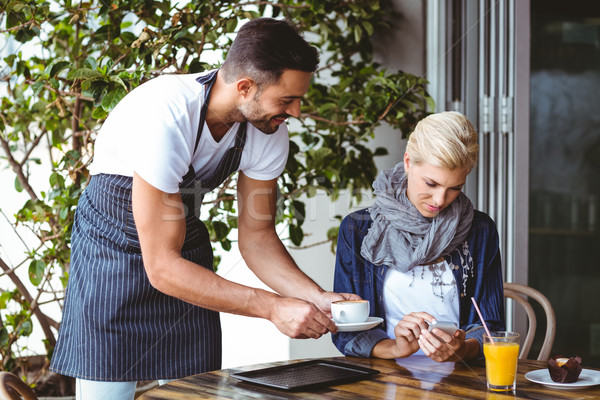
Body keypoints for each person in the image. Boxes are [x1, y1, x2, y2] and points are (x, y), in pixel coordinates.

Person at [50, 17, 357, 399]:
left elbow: (257, 238)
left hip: (183, 250)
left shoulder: (268, 129)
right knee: (107, 393)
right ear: (245, 87)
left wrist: (316, 297)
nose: (294, 112)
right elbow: (162, 268)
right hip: (109, 251)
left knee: (194, 391)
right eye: (286, 99)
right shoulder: (165, 115)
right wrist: (273, 308)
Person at [332, 111, 505, 363]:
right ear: (408, 162)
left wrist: (461, 350)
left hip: (460, 378)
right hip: (382, 377)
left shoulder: (479, 230)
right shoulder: (357, 231)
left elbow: (491, 327)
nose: (440, 201)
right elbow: (347, 334)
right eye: (431, 184)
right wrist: (395, 348)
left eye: (455, 188)